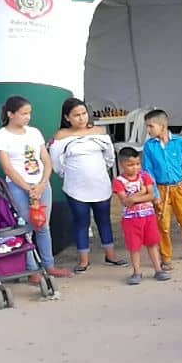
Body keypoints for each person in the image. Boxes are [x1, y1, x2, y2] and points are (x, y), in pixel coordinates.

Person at [0, 97, 67, 278]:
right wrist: (27, 188)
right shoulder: (0, 136)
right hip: (18, 187)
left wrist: (41, 184)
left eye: (29, 113)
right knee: (25, 227)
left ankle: (49, 266)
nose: (28, 117)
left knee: (43, 226)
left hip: (41, 185)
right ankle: (32, 269)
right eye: (23, 113)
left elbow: (46, 160)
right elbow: (7, 167)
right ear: (10, 114)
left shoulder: (34, 132)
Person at [51, 98, 124, 272]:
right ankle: (84, 260)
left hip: (100, 183)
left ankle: (111, 255)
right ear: (67, 117)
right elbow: (56, 163)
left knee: (104, 220)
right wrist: (69, 174)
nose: (81, 118)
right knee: (81, 222)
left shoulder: (99, 131)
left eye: (83, 113)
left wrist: (99, 171)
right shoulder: (61, 136)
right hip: (76, 187)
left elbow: (109, 157)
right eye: (76, 115)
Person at [141, 109, 182, 269]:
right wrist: (154, 193)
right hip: (161, 189)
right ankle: (166, 257)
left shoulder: (179, 143)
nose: (148, 130)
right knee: (162, 224)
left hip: (178, 188)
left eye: (151, 126)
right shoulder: (149, 147)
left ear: (163, 126)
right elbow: (147, 171)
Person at [112, 147, 168, 285]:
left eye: (137, 164)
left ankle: (158, 269)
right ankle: (137, 272)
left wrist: (136, 197)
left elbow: (152, 195)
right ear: (121, 165)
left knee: (152, 243)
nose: (135, 167)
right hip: (131, 219)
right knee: (134, 246)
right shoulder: (118, 181)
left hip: (148, 216)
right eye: (130, 165)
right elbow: (126, 201)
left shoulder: (144, 176)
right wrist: (141, 193)